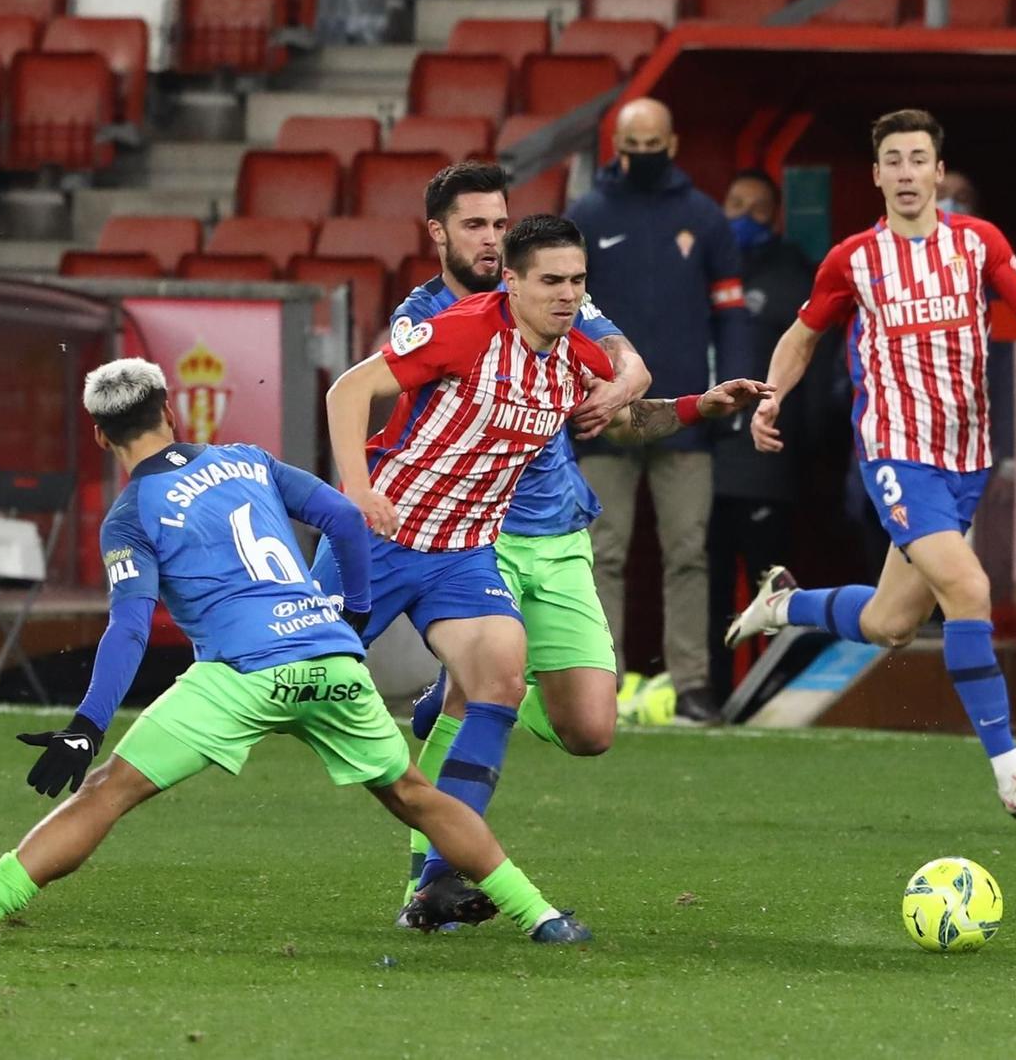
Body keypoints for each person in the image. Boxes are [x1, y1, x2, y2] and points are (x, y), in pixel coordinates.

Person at [0, 359, 593, 946]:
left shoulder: (131, 516)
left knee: (108, 788)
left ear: (101, 436)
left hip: (241, 673)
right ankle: (545, 916)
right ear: (171, 409)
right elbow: (347, 517)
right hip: (327, 658)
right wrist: (350, 615)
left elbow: (129, 630)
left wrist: (87, 724)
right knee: (414, 794)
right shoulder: (247, 461)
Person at [318, 214, 769, 927]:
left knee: (523, 687)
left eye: (577, 280)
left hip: (464, 552)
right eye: (551, 280)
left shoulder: (574, 353)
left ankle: (438, 880)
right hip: (386, 532)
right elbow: (349, 390)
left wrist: (696, 407)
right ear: (514, 280)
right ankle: (132, 768)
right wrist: (356, 493)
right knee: (271, 681)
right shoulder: (464, 329)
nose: (566, 294)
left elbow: (614, 419)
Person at [725, 109, 1016, 822]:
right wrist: (770, 398)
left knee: (891, 621)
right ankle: (1011, 771)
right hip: (895, 450)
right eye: (894, 159)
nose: (908, 171)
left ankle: (784, 603)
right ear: (878, 174)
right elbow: (802, 335)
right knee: (969, 587)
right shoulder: (853, 259)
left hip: (965, 457)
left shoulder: (978, 243)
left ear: (938, 172)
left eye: (920, 158)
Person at [385, 163, 650, 905]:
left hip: (559, 528)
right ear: (437, 233)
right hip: (478, 531)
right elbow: (393, 418)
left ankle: (475, 689)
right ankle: (429, 879)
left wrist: (620, 393)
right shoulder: (424, 320)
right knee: (479, 690)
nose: (492, 239)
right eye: (475, 226)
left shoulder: (552, 292)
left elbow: (629, 368)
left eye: (501, 224)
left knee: (591, 729)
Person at [567, 97, 748, 727]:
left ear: (672, 143)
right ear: (617, 145)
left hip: (688, 417)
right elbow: (561, 311)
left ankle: (693, 684)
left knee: (689, 551)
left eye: (651, 145)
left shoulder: (705, 219)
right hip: (603, 413)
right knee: (599, 551)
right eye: (631, 145)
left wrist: (729, 393)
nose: (641, 156)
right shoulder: (586, 214)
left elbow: (730, 314)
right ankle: (599, 682)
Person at [706, 170, 816, 703]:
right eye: (735, 203)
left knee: (772, 585)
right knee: (708, 583)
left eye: (757, 208)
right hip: (704, 454)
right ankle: (709, 693)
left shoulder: (795, 272)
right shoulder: (704, 267)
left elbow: (814, 363)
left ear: (774, 216)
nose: (744, 215)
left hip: (768, 458)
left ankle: (771, 696)